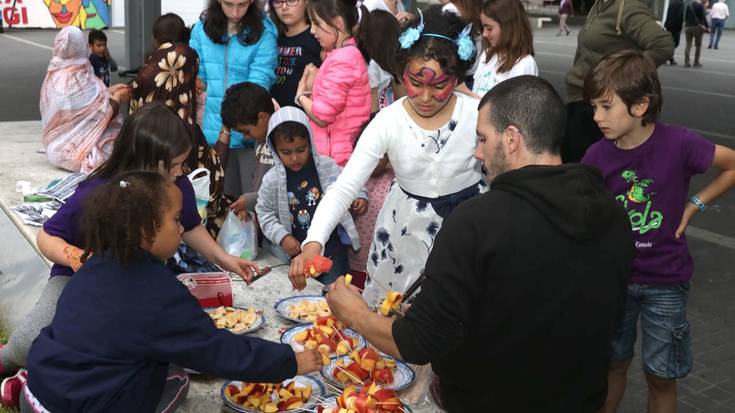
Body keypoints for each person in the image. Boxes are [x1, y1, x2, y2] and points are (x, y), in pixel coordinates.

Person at [325, 75, 635, 412]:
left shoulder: (477, 220)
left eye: (483, 138)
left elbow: (419, 341)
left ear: (512, 139)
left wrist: (355, 314)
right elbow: (542, 307)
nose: (477, 151)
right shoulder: (614, 215)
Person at [0, 104, 263, 409]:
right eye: (175, 164)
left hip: (133, 285)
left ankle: (35, 376)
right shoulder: (98, 191)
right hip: (79, 281)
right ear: (145, 161)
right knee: (33, 336)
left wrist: (227, 260)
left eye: (183, 163)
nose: (181, 172)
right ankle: (12, 364)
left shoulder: (177, 187)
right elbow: (46, 235)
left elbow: (191, 227)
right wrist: (76, 256)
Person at [20, 171, 323, 413]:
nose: (182, 229)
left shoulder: (95, 264)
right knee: (176, 379)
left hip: (37, 390)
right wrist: (289, 361)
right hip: (81, 404)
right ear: (145, 229)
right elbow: (216, 351)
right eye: (177, 219)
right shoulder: (157, 293)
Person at [289, 7, 485, 308]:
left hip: (466, 235)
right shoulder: (388, 121)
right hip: (403, 239)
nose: (425, 97)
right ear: (401, 71)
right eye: (416, 83)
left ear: (457, 76)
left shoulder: (479, 116)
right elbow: (344, 187)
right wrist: (313, 242)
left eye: (439, 86)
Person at [581, 49, 735, 413]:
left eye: (605, 106)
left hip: (665, 282)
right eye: (593, 107)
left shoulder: (679, 144)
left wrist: (695, 204)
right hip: (615, 281)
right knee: (613, 365)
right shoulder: (595, 156)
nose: (596, 117)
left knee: (661, 376)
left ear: (639, 106)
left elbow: (731, 165)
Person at [130, 13, 227, 237]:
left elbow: (136, 92)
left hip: (157, 144)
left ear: (155, 39)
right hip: (188, 133)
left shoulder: (154, 65)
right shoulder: (188, 56)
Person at [256, 107, 367, 284]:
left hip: (331, 250)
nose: (294, 158)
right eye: (286, 152)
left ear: (310, 143)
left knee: (334, 293)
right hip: (294, 255)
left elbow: (351, 183)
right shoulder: (271, 180)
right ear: (274, 149)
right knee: (302, 301)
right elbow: (264, 212)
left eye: (300, 150)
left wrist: (360, 195)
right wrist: (282, 237)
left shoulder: (327, 166)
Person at [561, 0, 673, 163]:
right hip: (581, 98)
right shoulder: (599, 5)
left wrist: (623, 73)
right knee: (575, 168)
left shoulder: (627, 6)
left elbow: (663, 45)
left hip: (598, 103)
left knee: (583, 171)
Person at [189, 0, 278, 200]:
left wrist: (237, 122)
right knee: (218, 200)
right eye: (229, 4)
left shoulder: (264, 31)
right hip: (211, 133)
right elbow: (198, 77)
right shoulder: (201, 29)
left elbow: (259, 83)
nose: (236, 12)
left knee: (254, 200)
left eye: (242, 4)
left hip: (249, 133)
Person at [40, 26, 129, 175]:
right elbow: (102, 115)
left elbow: (84, 104)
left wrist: (109, 91)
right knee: (125, 142)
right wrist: (118, 98)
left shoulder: (54, 74)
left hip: (55, 149)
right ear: (82, 46)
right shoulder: (78, 76)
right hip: (76, 153)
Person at [294, 0, 372, 167]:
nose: (312, 31)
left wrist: (301, 94)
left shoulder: (343, 59)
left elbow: (322, 116)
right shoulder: (344, 54)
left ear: (338, 23)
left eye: (316, 24)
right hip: (341, 157)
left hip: (339, 161)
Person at [348, 115, 395, 289]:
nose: (373, 161)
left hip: (384, 260)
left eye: (380, 155)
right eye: (368, 154)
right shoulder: (353, 177)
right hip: (356, 258)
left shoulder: (395, 179)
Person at [222, 82, 278, 217]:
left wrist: (252, 200)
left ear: (262, 117)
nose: (246, 138)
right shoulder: (261, 138)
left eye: (246, 131)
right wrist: (246, 207)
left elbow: (286, 189)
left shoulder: (285, 142)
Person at [471, 0, 538, 98]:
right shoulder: (488, 54)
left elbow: (515, 109)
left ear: (508, 27)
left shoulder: (524, 64)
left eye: (489, 28)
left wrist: (466, 92)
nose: (484, 34)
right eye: (483, 27)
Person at [269, 0, 323, 108]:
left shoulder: (319, 37)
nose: (284, 7)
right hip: (271, 117)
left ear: (306, 2)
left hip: (306, 116)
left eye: (291, 0)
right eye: (278, 1)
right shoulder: (269, 37)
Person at [359, 10, 405, 112]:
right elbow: (372, 110)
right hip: (378, 122)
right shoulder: (371, 66)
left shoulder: (388, 65)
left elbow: (402, 99)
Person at [684, 0, 709, 67]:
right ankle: (696, 62)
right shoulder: (700, 5)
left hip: (688, 27)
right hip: (697, 27)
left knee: (688, 44)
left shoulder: (689, 5)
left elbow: (686, 16)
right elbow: (703, 17)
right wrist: (707, 27)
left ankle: (687, 62)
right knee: (698, 45)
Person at [664, 0, 685, 65]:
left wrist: (666, 23)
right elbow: (680, 15)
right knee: (675, 43)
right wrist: (680, 26)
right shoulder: (681, 4)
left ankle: (668, 58)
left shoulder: (672, 3)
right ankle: (668, 58)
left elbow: (668, 14)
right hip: (675, 26)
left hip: (669, 25)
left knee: (669, 42)